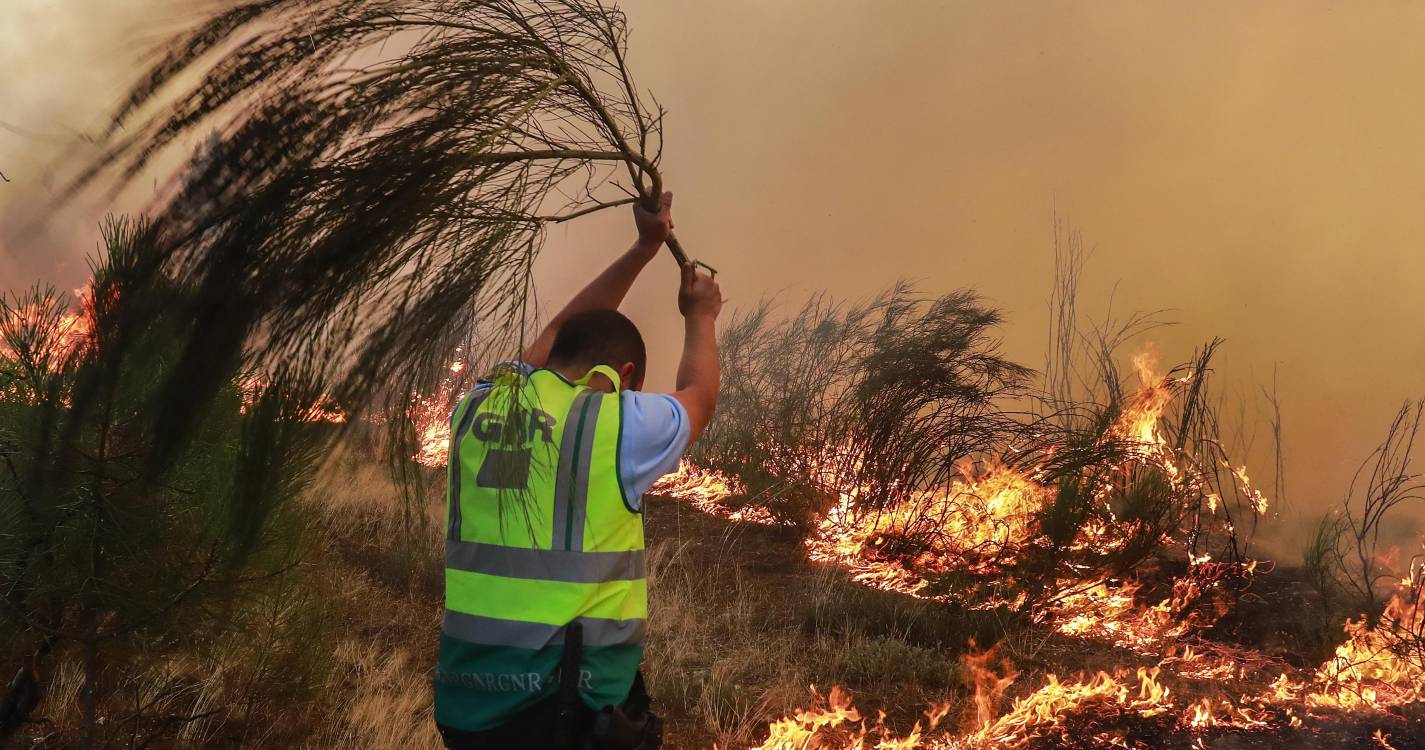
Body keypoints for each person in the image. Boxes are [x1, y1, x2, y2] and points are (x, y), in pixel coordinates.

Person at [434, 191, 722, 750]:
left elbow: (549, 342)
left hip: (466, 706)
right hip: (562, 711)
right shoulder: (615, 424)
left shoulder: (478, 402)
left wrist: (643, 248)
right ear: (626, 374)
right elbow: (700, 397)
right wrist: (701, 316)